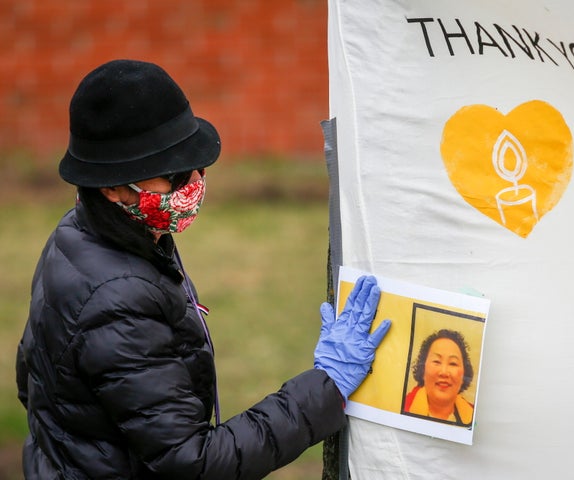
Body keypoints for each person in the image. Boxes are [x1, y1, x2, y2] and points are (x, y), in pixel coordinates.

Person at [14, 59, 391, 479]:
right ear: (113, 187)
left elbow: (33, 379)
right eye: (174, 175)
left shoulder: (77, 236)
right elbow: (194, 463)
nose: (192, 183)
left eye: (193, 165)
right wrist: (327, 385)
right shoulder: (118, 297)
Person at [403, 329, 474, 426]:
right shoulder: (402, 408)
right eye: (436, 361)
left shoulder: (474, 418)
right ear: (423, 368)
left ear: (464, 374)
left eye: (453, 363)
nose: (444, 372)